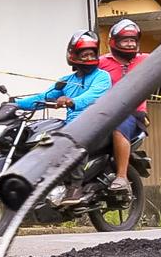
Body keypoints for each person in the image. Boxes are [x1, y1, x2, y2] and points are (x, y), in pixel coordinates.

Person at [98, 18, 150, 193]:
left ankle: (121, 177)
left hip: (133, 114)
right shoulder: (101, 62)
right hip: (103, 113)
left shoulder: (146, 60)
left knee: (119, 125)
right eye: (125, 40)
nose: (130, 44)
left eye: (133, 40)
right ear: (114, 42)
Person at [15, 30, 111, 123]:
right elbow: (44, 97)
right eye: (85, 55)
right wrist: (15, 104)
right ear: (74, 57)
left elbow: (92, 96)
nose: (89, 58)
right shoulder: (66, 81)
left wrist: (71, 101)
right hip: (71, 125)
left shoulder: (102, 76)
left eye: (92, 55)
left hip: (95, 125)